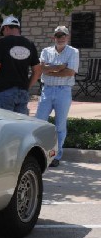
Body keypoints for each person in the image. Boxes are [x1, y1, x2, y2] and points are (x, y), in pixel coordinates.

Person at [36, 25, 79, 168]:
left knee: (60, 125)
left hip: (63, 91)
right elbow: (42, 69)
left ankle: (56, 156)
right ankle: (39, 153)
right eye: (58, 35)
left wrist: (51, 69)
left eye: (63, 35)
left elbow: (70, 72)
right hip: (47, 90)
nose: (60, 38)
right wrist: (60, 67)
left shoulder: (73, 52)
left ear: (67, 37)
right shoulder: (46, 51)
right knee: (40, 122)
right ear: (53, 37)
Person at [0, 15, 42, 114]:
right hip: (23, 92)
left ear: (6, 28)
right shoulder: (30, 44)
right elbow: (37, 71)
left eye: (2, 31)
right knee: (20, 126)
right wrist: (26, 86)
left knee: (4, 124)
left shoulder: (2, 42)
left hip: (5, 91)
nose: (3, 34)